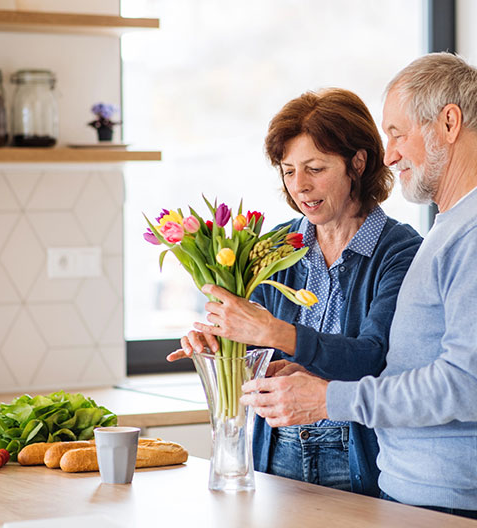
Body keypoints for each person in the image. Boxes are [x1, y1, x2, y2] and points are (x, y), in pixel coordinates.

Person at [240, 53, 477, 528]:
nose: (389, 154)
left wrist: (330, 400)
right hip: (423, 491)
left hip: (456, 499)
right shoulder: (461, 221)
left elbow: (466, 386)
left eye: (397, 133)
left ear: (449, 122)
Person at [167, 87, 422, 497]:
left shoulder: (401, 252)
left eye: (315, 168)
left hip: (358, 454)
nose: (299, 186)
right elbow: (252, 348)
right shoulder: (276, 247)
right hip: (276, 450)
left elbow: (375, 357)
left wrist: (274, 333)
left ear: (357, 163)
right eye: (288, 171)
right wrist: (217, 342)